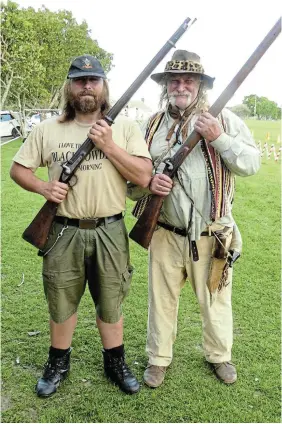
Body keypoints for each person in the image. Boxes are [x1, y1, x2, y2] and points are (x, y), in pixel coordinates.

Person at [10, 54, 152, 396]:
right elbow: (18, 169)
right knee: (60, 300)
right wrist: (43, 187)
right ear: (70, 86)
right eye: (79, 80)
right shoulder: (47, 129)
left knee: (111, 299)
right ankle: (58, 362)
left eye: (93, 80)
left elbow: (144, 177)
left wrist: (108, 144)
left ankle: (115, 361)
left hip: (111, 229)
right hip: (61, 229)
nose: (86, 86)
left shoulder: (126, 129)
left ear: (104, 86)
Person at [127, 50, 260, 388]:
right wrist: (147, 183)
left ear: (200, 85)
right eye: (175, 79)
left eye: (189, 80)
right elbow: (130, 180)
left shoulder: (226, 120)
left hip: (212, 232)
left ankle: (219, 356)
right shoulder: (152, 125)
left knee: (216, 300)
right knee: (161, 301)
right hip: (164, 232)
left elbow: (250, 164)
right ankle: (158, 360)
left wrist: (218, 137)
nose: (181, 85)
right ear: (166, 84)